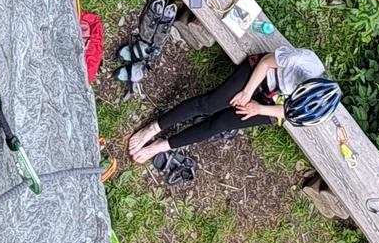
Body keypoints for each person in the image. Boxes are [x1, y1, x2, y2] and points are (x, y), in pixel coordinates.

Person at [126, 43, 329, 164]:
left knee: (220, 124)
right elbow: (266, 61)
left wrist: (259, 108)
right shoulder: (304, 61)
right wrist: (247, 92)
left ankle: (163, 145)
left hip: (274, 101)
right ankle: (152, 129)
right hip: (262, 73)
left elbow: (287, 111)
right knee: (210, 105)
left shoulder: (314, 110)